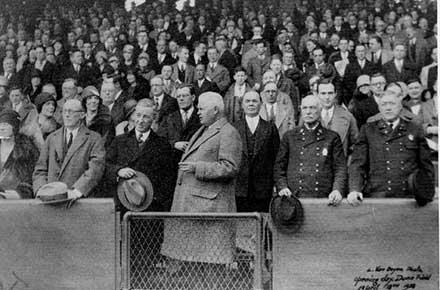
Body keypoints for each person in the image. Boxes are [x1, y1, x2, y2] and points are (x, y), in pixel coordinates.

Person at [161, 92, 242, 280]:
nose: (197, 112)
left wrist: (198, 167)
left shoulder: (228, 132)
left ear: (215, 110)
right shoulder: (204, 130)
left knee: (212, 269)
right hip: (195, 210)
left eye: (201, 108)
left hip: (209, 210)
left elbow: (230, 167)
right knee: (194, 269)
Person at [348, 91, 435, 204]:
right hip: (376, 197)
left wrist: (427, 193)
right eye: (384, 104)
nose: (388, 108)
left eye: (392, 104)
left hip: (408, 198)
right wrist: (355, 189)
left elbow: (426, 167)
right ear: (379, 108)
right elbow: (357, 164)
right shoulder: (368, 130)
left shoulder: (414, 129)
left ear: (400, 107)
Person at [105, 98, 176, 212]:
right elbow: (106, 165)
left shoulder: (162, 145)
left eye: (146, 117)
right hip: (124, 202)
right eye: (138, 115)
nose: (140, 120)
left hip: (151, 207)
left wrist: (156, 201)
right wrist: (118, 171)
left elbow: (169, 179)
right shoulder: (120, 141)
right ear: (133, 116)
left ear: (153, 118)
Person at [274, 95, 346, 204]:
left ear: (320, 110)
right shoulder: (290, 136)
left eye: (312, 108)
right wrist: (282, 187)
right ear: (300, 110)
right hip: (293, 197)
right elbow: (279, 167)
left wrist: (337, 190)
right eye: (305, 108)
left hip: (323, 197)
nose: (308, 112)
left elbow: (340, 168)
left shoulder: (331, 137)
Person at [33, 99, 105, 199]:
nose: (67, 115)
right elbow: (40, 169)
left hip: (78, 200)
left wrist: (77, 191)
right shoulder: (52, 138)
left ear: (82, 115)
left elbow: (96, 169)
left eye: (71, 111)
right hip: (50, 199)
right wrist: (41, 190)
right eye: (64, 111)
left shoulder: (94, 138)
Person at [233, 91, 279, 212]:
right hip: (240, 187)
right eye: (247, 101)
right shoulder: (234, 128)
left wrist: (275, 184)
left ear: (261, 104)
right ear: (242, 105)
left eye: (255, 101)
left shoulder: (270, 128)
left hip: (263, 188)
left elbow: (276, 158)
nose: (251, 104)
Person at [157, 84, 202, 163]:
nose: (181, 99)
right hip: (172, 162)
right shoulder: (168, 117)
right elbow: (159, 139)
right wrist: (174, 144)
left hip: (194, 161)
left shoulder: (201, 116)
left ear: (193, 97)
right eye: (178, 96)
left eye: (185, 96)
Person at [0, 110, 39, 199]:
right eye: (0, 124)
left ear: (15, 127)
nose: (1, 128)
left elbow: (29, 182)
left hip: (17, 199)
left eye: (6, 124)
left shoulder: (27, 150)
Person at [315, 81, 358, 158]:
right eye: (323, 93)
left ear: (335, 94)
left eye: (330, 93)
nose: (327, 97)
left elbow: (356, 145)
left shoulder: (347, 116)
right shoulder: (310, 116)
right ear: (317, 94)